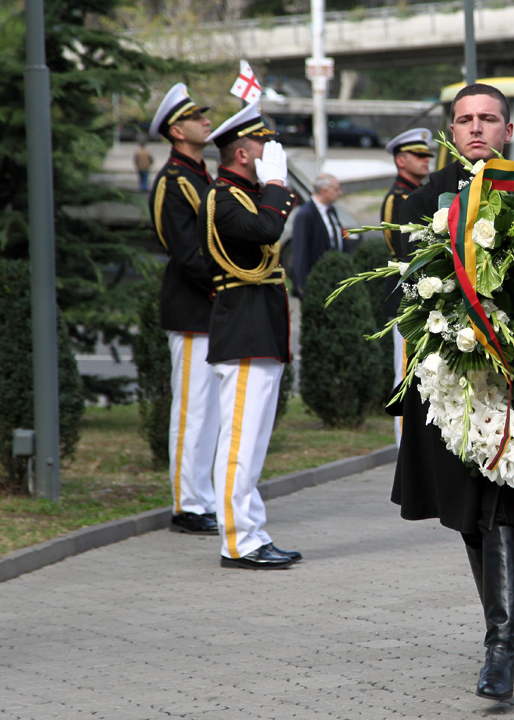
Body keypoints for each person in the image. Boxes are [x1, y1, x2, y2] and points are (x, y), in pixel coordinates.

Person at [392, 84, 514, 701]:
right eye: (465, 120)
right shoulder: (424, 199)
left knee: (504, 510)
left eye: (488, 119)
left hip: (513, 383)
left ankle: (501, 648)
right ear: (450, 133)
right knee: (468, 517)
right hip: (449, 386)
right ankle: (506, 631)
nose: (476, 129)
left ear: (508, 131)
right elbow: (404, 288)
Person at [199, 102, 301, 570]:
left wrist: (273, 188)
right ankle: (238, 541)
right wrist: (277, 186)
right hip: (243, 333)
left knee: (251, 445)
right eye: (263, 143)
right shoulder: (223, 196)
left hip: (257, 332)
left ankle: (252, 533)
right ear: (242, 153)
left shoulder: (245, 193)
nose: (271, 151)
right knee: (239, 444)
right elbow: (266, 228)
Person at [146, 83, 220, 537]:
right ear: (176, 130)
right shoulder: (173, 181)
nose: (207, 122)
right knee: (193, 410)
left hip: (211, 309)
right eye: (197, 117)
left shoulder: (200, 174)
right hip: (193, 308)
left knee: (209, 412)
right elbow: (184, 251)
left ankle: (202, 497)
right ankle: (187, 504)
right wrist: (225, 285)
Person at [380, 128, 434, 443]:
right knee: (407, 373)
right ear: (401, 160)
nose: (425, 160)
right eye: (418, 155)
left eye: (427, 155)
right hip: (406, 297)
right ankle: (404, 448)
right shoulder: (398, 199)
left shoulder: (420, 195)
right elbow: (401, 250)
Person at [288, 173, 345, 300]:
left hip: (333, 279)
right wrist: (302, 287)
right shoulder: (305, 215)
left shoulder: (331, 210)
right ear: (324, 191)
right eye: (336, 189)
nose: (339, 193)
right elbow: (300, 253)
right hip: (316, 282)